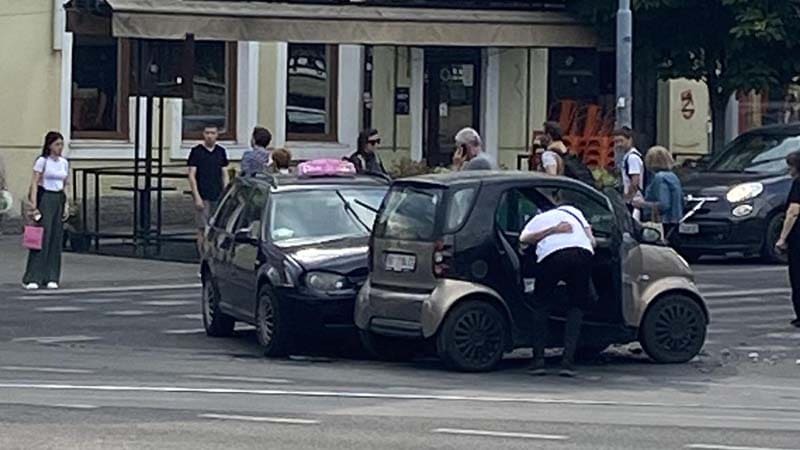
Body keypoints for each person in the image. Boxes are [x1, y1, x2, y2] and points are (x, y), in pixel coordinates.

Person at [520, 200, 597, 377]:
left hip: (551, 257)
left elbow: (523, 239)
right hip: (581, 254)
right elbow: (592, 241)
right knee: (576, 308)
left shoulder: (538, 219)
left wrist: (552, 232)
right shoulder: (575, 211)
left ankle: (538, 361)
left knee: (541, 306)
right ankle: (568, 363)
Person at [22, 132, 70, 290]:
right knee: (42, 236)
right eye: (57, 144)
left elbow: (65, 184)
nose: (60, 148)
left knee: (56, 238)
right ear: (49, 145)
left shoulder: (63, 162)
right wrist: (34, 205)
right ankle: (33, 276)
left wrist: (67, 204)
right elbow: (35, 183)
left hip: (58, 198)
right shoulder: (43, 161)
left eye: (61, 144)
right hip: (46, 198)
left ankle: (51, 275)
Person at [188, 125, 229, 254]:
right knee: (202, 227)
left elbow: (224, 173)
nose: (209, 136)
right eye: (207, 133)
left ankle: (214, 254)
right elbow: (191, 175)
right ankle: (202, 257)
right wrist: (197, 197)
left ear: (217, 135)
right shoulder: (196, 151)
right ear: (203, 134)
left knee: (216, 227)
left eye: (212, 133)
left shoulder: (221, 151)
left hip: (217, 195)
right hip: (203, 194)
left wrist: (226, 193)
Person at [633, 146, 684, 247]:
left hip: (663, 224)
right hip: (674, 221)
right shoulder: (673, 177)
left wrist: (642, 204)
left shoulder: (659, 178)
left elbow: (664, 204)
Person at [774, 151, 800, 328]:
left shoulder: (798, 184)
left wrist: (782, 238)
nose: (788, 170)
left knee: (798, 277)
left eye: (790, 166)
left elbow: (793, 212)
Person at [615, 126, 645, 219]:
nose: (619, 144)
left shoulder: (632, 158)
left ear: (630, 140)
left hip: (635, 201)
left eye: (621, 141)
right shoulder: (630, 156)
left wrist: (628, 198)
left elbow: (635, 180)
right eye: (616, 142)